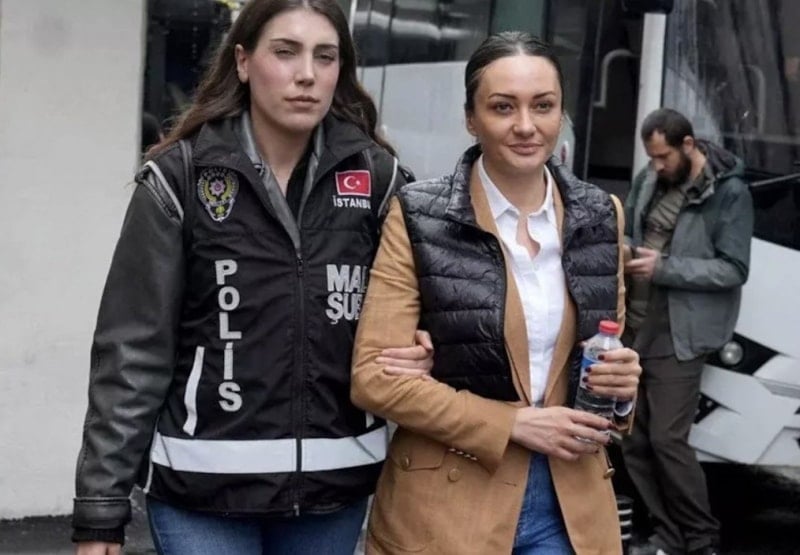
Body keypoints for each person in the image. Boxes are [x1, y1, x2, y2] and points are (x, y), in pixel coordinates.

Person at [71, 1, 434, 554]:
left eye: (325, 56)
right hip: (200, 492)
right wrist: (101, 509)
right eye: (285, 52)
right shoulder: (180, 178)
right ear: (243, 61)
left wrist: (422, 345)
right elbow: (132, 352)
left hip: (333, 491)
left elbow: (427, 310)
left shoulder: (378, 179)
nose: (307, 74)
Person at [350, 32, 642, 554]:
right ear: (471, 118)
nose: (526, 126)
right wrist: (513, 423)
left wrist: (620, 388)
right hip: (449, 503)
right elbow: (373, 378)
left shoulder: (602, 214)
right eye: (503, 107)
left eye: (543, 106)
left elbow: (602, 353)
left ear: (561, 113)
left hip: (570, 503)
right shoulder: (418, 215)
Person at [621, 108, 753, 555]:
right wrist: (626, 251)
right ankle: (668, 536)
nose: (657, 166)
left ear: (689, 145)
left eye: (664, 157)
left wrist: (665, 268)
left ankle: (701, 538)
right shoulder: (650, 178)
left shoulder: (729, 192)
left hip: (680, 330)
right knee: (633, 437)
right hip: (635, 323)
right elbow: (631, 230)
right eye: (652, 157)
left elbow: (733, 269)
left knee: (666, 439)